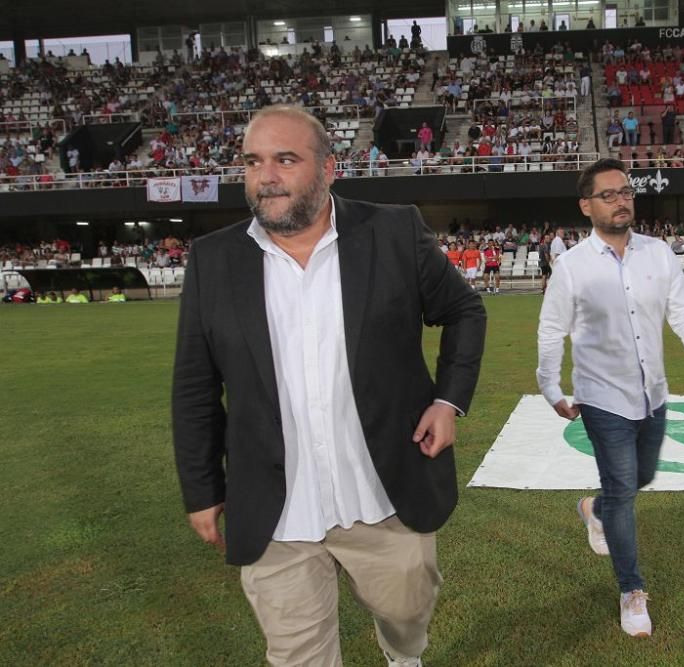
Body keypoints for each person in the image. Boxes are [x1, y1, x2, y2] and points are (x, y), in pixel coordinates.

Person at [172, 105, 487, 667]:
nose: (266, 175)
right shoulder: (213, 259)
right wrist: (202, 490)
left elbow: (464, 310)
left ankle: (401, 653)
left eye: (285, 159)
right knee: (297, 655)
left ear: (329, 168)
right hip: (276, 511)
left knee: (408, 613)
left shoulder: (391, 231)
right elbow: (196, 384)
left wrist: (447, 401)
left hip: (382, 492)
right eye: (253, 161)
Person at [536, 158, 684, 638]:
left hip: (653, 394)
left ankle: (593, 509)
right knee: (623, 490)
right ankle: (631, 590)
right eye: (609, 194)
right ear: (587, 206)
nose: (621, 201)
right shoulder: (572, 267)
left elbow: (683, 309)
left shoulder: (658, 253)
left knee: (640, 477)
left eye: (626, 192)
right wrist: (550, 387)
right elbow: (551, 330)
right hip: (602, 398)